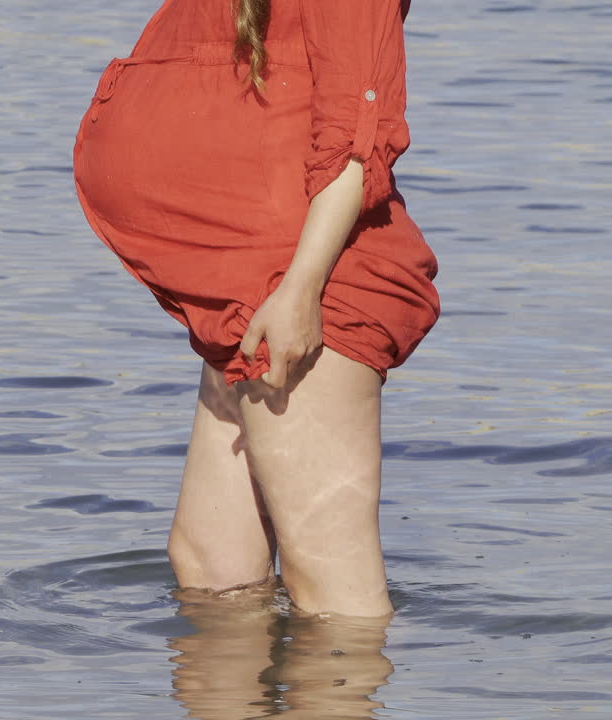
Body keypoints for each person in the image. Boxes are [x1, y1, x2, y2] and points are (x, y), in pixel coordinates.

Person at [72, 0, 440, 619]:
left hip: (294, 278)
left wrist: (301, 287)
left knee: (331, 592)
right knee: (210, 569)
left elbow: (355, 124)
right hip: (240, 273)